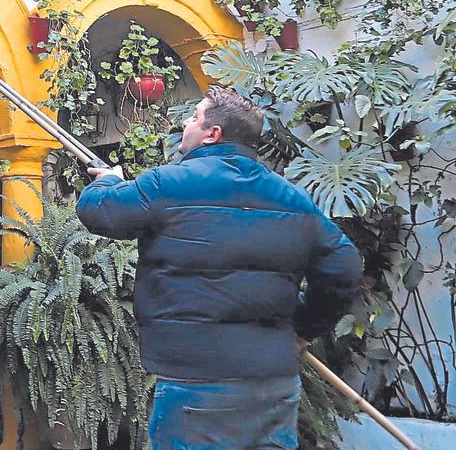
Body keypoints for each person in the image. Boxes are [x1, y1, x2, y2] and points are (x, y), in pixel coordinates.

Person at [76, 85, 362, 449]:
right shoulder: (292, 198)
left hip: (198, 386)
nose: (186, 123)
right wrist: (303, 328)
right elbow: (345, 267)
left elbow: (100, 211)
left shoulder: (167, 184)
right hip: (273, 383)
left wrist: (110, 183)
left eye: (194, 117)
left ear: (213, 134)